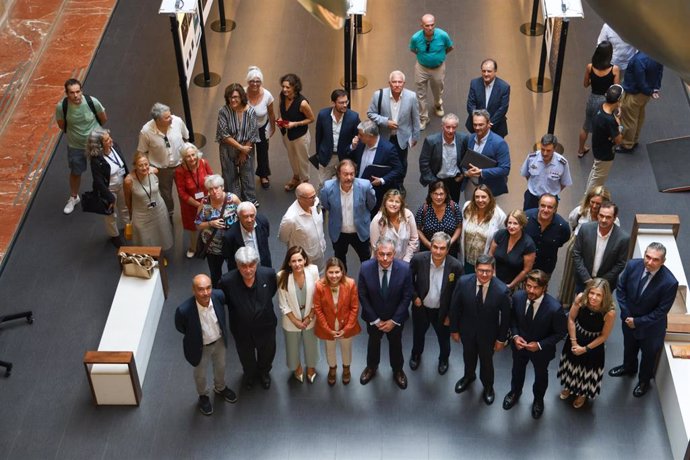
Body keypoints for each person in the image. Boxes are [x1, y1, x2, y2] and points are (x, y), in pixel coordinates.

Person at [610, 243, 678, 398]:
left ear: (663, 261)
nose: (649, 262)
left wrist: (637, 322)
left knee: (648, 357)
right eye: (647, 257)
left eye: (655, 259)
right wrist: (627, 316)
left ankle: (643, 382)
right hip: (628, 321)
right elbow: (621, 289)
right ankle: (628, 367)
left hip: (651, 329)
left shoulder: (669, 282)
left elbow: (661, 311)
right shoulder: (633, 265)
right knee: (629, 347)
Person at [503, 270, 566, 419]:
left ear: (544, 287)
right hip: (519, 347)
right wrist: (516, 335)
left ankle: (538, 400)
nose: (531, 290)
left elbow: (560, 333)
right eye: (528, 286)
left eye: (535, 287)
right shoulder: (518, 297)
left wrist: (539, 345)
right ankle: (515, 392)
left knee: (541, 376)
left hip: (541, 351)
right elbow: (513, 320)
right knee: (517, 370)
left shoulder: (554, 308)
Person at [450, 254, 510, 405]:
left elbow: (506, 319)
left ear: (493, 271)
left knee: (486, 362)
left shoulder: (502, 290)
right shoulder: (463, 282)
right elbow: (455, 307)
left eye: (488, 271)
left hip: (488, 335)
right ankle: (468, 376)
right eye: (481, 270)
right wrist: (454, 330)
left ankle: (488, 386)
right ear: (475, 269)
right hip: (467, 331)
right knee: (468, 356)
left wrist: (501, 339)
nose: (484, 274)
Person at [174, 274, 237, 416]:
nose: (205, 293)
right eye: (200, 289)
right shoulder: (184, 310)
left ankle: (220, 388)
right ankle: (203, 396)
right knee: (200, 374)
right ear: (193, 290)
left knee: (220, 366)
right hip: (200, 347)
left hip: (219, 341)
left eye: (208, 288)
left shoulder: (219, 296)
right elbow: (180, 327)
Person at [219, 246, 278, 390]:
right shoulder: (227, 281)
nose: (248, 270)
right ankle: (249, 375)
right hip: (242, 330)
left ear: (257, 263)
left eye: (251, 265)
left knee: (267, 352)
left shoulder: (268, 275)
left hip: (266, 325)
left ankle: (264, 373)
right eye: (243, 266)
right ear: (237, 265)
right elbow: (224, 300)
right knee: (246, 356)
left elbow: (272, 291)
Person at [358, 237, 414, 389]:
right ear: (375, 253)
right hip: (373, 318)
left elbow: (407, 296)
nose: (385, 258)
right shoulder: (365, 268)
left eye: (389, 254)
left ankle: (398, 370)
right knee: (373, 343)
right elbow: (362, 296)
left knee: (396, 344)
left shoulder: (405, 269)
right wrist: (375, 320)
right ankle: (371, 367)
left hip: (395, 319)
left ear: (394, 253)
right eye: (381, 254)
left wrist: (394, 320)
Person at [409, 232, 463, 375]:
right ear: (430, 246)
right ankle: (416, 354)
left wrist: (451, 316)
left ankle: (444, 359)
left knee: (444, 338)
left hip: (442, 311)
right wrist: (414, 297)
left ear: (448, 249)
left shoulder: (456, 266)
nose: (438, 251)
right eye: (435, 247)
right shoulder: (418, 260)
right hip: (421, 308)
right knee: (418, 334)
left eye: (442, 248)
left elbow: (458, 295)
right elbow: (408, 280)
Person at [557, 278, 616, 409]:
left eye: (598, 295)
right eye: (591, 293)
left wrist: (585, 349)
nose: (593, 297)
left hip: (593, 344)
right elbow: (571, 319)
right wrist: (573, 342)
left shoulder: (609, 312)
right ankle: (568, 386)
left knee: (587, 370)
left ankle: (582, 394)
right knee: (571, 365)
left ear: (605, 296)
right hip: (575, 336)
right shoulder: (580, 299)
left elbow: (604, 336)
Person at [55, 78, 107, 214]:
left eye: (78, 91)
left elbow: (103, 118)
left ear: (81, 91)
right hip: (75, 145)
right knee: (75, 172)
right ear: (67, 93)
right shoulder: (62, 107)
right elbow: (62, 125)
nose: (76, 95)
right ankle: (73, 197)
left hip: (95, 141)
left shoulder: (92, 102)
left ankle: (105, 193)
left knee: (101, 169)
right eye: (72, 93)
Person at [559, 186, 615, 306]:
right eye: (592, 202)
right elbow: (572, 222)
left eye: (598, 204)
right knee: (570, 277)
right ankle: (566, 303)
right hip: (578, 244)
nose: (594, 206)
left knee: (590, 278)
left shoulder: (611, 219)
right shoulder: (580, 211)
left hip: (597, 247)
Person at [319, 159, 376, 272]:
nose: (349, 178)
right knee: (340, 262)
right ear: (339, 174)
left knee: (366, 261)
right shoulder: (327, 188)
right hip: (339, 232)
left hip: (360, 231)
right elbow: (326, 205)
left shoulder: (365, 186)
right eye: (345, 174)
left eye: (352, 174)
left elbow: (371, 204)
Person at [313, 257, 362, 386]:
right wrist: (327, 328)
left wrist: (346, 328)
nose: (334, 276)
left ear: (342, 272)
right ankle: (332, 369)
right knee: (330, 349)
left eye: (337, 272)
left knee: (346, 348)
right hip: (328, 326)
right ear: (326, 273)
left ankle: (346, 369)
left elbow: (355, 308)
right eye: (331, 272)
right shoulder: (319, 286)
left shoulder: (350, 284)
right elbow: (317, 309)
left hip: (346, 325)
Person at [136, 102, 189, 218]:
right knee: (166, 194)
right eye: (167, 117)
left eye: (170, 115)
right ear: (157, 120)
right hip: (162, 169)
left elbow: (186, 137)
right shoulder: (146, 132)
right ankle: (169, 214)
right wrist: (148, 167)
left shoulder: (177, 121)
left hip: (181, 165)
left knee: (186, 190)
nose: (171, 118)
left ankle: (189, 212)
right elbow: (142, 151)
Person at [277, 246, 320, 384]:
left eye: (300, 260)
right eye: (293, 261)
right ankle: (297, 368)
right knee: (292, 346)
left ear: (305, 260)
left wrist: (309, 317)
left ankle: (311, 367)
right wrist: (296, 321)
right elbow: (283, 303)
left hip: (310, 316)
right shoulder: (281, 276)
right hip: (291, 320)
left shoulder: (313, 271)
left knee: (311, 344)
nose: (297, 264)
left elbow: (317, 296)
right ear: (289, 263)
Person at [367, 70, 420, 182]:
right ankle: (385, 181)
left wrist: (415, 136)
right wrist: (386, 122)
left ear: (404, 83)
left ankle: (400, 183)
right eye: (394, 82)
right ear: (389, 83)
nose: (397, 85)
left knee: (401, 163)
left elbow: (415, 117)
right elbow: (370, 113)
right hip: (384, 136)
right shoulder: (378, 95)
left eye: (400, 82)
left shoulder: (411, 97)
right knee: (384, 161)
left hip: (402, 137)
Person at [216, 83, 260, 206]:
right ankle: (235, 201)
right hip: (228, 148)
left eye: (236, 97)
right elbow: (224, 134)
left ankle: (250, 200)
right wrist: (241, 148)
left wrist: (244, 152)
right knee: (229, 175)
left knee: (247, 174)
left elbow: (253, 133)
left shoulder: (250, 111)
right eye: (230, 97)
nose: (233, 100)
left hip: (247, 146)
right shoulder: (223, 111)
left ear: (241, 97)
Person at [572, 201, 629, 293]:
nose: (603, 220)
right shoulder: (585, 229)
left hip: (606, 284)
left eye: (608, 217)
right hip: (583, 280)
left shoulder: (623, 238)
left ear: (614, 218)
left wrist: (599, 283)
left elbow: (620, 264)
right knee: (580, 304)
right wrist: (586, 278)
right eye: (601, 215)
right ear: (597, 215)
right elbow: (576, 254)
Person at [194, 174, 240, 288]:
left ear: (222, 187)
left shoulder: (232, 199)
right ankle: (218, 294)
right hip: (213, 247)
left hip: (231, 244)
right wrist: (210, 223)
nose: (214, 191)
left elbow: (243, 214)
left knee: (234, 271)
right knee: (215, 274)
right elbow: (197, 224)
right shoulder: (204, 203)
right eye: (211, 189)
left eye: (217, 188)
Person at [349, 119, 403, 215]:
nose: (358, 137)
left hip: (375, 191)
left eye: (361, 135)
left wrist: (382, 180)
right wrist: (352, 147)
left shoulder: (388, 149)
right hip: (357, 187)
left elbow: (398, 169)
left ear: (370, 136)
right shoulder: (360, 144)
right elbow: (349, 158)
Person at [409, 14, 454, 130]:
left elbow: (449, 48)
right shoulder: (415, 38)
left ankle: (438, 104)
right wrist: (425, 58)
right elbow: (413, 49)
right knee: (420, 94)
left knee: (438, 89)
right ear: (422, 26)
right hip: (421, 68)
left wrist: (438, 58)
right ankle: (423, 117)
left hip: (438, 68)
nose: (430, 28)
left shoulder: (443, 35)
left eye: (432, 25)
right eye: (427, 25)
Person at [85, 127, 128, 248]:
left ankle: (128, 228)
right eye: (106, 140)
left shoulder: (115, 146)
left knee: (125, 208)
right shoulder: (96, 159)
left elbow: (123, 164)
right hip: (109, 190)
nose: (111, 140)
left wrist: (128, 179)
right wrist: (110, 198)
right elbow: (98, 181)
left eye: (109, 137)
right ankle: (114, 236)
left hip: (122, 184)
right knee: (111, 215)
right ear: (99, 145)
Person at [577, 41, 620, 158]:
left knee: (586, 126)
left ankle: (580, 150)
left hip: (592, 99)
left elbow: (585, 84)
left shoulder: (590, 67)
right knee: (603, 130)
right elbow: (615, 90)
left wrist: (595, 81)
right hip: (605, 103)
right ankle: (600, 153)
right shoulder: (614, 69)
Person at [123, 152, 173, 251]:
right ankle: (149, 258)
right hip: (141, 214)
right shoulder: (129, 181)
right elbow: (127, 199)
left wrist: (152, 169)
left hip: (159, 210)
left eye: (146, 164)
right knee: (145, 238)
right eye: (140, 165)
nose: (144, 168)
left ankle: (159, 255)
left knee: (160, 234)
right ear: (135, 166)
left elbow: (156, 170)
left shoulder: (153, 172)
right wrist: (130, 214)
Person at [617, 51, 664, 153]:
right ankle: (634, 139)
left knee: (629, 119)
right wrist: (655, 89)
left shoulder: (639, 60)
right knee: (639, 115)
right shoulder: (657, 55)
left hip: (635, 93)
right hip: (645, 95)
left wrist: (649, 91)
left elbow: (640, 82)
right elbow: (660, 71)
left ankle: (627, 144)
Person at [418, 113, 469, 202]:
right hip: (437, 179)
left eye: (454, 127)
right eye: (448, 127)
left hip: (455, 181)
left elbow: (467, 158)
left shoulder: (463, 139)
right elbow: (424, 163)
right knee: (434, 205)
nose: (450, 130)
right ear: (442, 126)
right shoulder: (431, 141)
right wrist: (433, 181)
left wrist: (462, 175)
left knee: (453, 205)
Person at [278, 73, 315, 191]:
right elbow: (280, 108)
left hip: (300, 136)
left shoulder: (302, 103)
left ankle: (305, 181)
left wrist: (295, 124)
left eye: (288, 87)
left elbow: (311, 119)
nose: (284, 90)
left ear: (295, 87)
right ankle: (296, 177)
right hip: (287, 134)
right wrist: (279, 118)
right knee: (292, 157)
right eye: (283, 86)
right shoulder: (282, 96)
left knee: (302, 159)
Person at [315, 89, 360, 187]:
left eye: (346, 102)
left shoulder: (354, 117)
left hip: (345, 155)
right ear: (333, 103)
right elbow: (318, 136)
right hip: (326, 156)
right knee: (323, 185)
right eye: (341, 103)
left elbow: (357, 136)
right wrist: (319, 154)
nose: (345, 105)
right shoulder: (323, 115)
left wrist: (353, 145)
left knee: (345, 185)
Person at [175, 143, 213, 258]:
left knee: (209, 223)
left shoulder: (204, 163)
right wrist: (198, 205)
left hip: (207, 201)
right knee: (193, 228)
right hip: (190, 205)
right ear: (183, 158)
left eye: (193, 154)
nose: (192, 158)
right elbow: (181, 193)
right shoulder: (179, 171)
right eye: (188, 156)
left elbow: (212, 179)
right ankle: (193, 247)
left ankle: (208, 246)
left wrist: (208, 200)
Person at [278, 182, 327, 273]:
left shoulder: (315, 202)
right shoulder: (290, 218)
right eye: (311, 197)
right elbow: (283, 237)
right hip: (304, 259)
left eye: (315, 194)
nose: (315, 198)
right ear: (300, 198)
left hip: (320, 251)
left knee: (319, 275)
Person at [462, 109, 511, 198]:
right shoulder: (470, 138)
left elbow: (505, 169)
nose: (477, 128)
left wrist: (482, 172)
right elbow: (465, 159)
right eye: (475, 124)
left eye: (481, 125)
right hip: (471, 184)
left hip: (489, 187)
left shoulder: (499, 143)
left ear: (489, 124)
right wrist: (466, 173)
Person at [585, 84, 623, 191]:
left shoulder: (600, 106)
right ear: (618, 100)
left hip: (597, 148)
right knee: (597, 181)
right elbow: (618, 140)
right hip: (605, 154)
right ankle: (587, 202)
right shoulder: (610, 121)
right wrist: (619, 124)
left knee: (595, 173)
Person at [460, 184, 506, 273]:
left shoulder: (499, 215)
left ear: (490, 198)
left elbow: (501, 238)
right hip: (466, 259)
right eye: (477, 197)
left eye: (483, 197)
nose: (480, 200)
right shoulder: (467, 207)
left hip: (484, 262)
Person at [520, 134, 572, 210]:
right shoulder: (532, 158)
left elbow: (564, 183)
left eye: (548, 150)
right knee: (527, 219)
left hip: (550, 200)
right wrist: (535, 186)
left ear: (554, 149)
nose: (545, 153)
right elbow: (526, 174)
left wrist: (552, 193)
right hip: (532, 197)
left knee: (548, 220)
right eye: (542, 149)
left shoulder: (562, 163)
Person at [489, 209, 536, 291]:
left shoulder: (528, 244)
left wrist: (510, 286)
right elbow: (490, 255)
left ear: (522, 225)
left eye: (515, 223)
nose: (511, 226)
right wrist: (493, 276)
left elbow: (526, 270)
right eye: (509, 223)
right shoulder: (500, 235)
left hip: (512, 284)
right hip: (493, 278)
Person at [245, 66, 276, 190]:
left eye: (258, 81)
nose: (255, 84)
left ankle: (263, 175)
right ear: (248, 81)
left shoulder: (267, 95)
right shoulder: (242, 93)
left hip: (261, 128)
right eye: (252, 81)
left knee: (263, 152)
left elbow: (271, 113)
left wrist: (272, 128)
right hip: (246, 129)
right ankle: (246, 176)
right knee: (246, 152)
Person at [524, 194, 570, 275]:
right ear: (538, 205)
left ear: (555, 209)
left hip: (545, 267)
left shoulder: (562, 226)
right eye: (543, 206)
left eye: (550, 207)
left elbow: (562, 241)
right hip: (523, 264)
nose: (545, 210)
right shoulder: (526, 217)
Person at [415, 181, 462, 258]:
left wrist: (450, 242)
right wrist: (428, 244)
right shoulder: (423, 209)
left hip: (449, 251)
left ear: (446, 194)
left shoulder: (454, 207)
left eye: (441, 194)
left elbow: (459, 227)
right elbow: (418, 229)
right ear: (430, 194)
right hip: (428, 250)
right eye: (435, 194)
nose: (438, 197)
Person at [465, 59, 511, 138]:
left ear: (495, 71)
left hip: (495, 127)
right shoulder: (474, 83)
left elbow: (503, 108)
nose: (486, 74)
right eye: (484, 71)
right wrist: (478, 121)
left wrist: (489, 124)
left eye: (489, 71)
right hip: (477, 126)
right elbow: (471, 104)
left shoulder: (504, 87)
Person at [369, 189, 419, 262]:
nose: (394, 204)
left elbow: (414, 240)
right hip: (383, 262)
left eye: (397, 202)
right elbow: (375, 246)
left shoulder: (408, 215)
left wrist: (406, 260)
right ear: (385, 203)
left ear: (401, 204)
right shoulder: (377, 220)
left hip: (405, 261)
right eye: (391, 201)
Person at [222, 201, 271, 271]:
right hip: (243, 271)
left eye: (252, 215)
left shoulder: (263, 222)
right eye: (245, 216)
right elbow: (228, 256)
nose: (249, 220)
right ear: (239, 217)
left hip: (263, 265)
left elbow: (266, 236)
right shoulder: (230, 235)